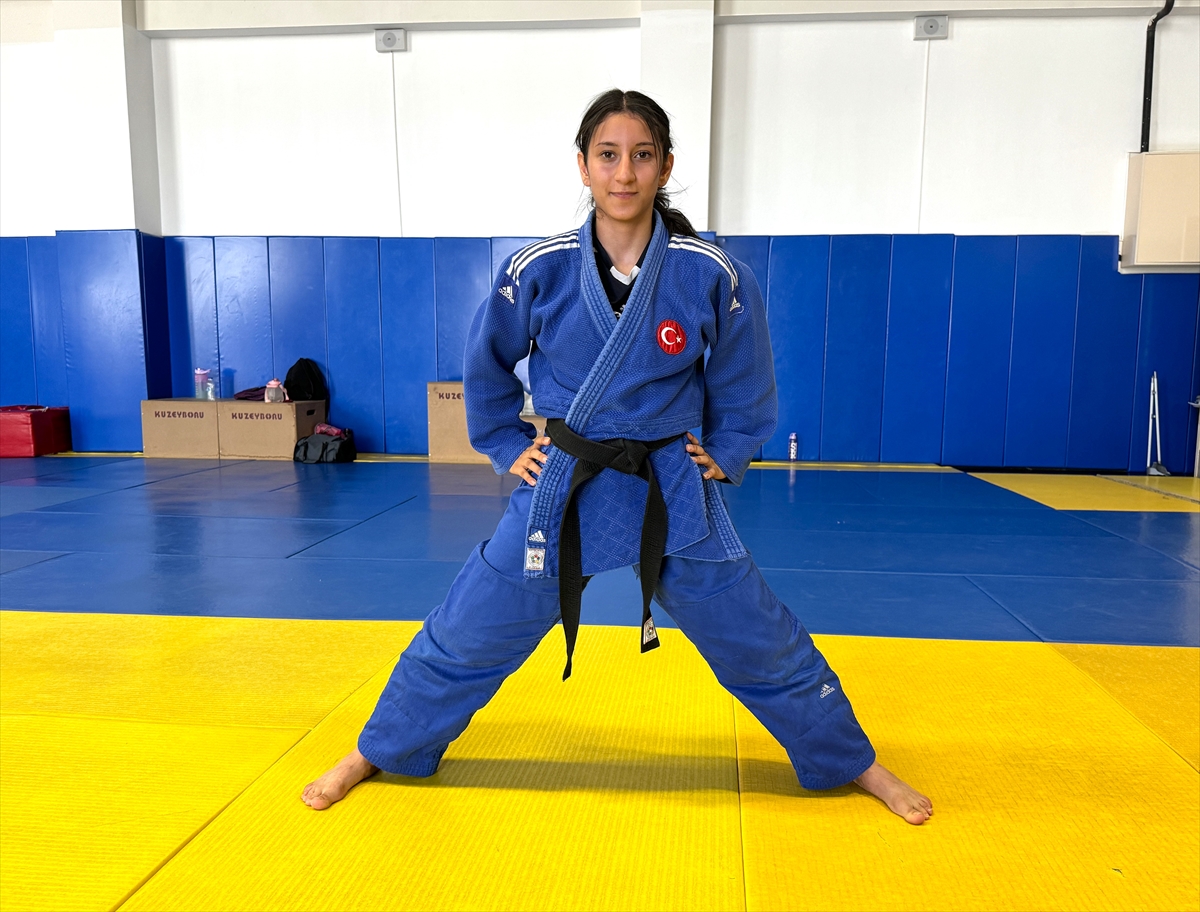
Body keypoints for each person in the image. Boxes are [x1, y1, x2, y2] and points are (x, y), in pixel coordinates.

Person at [303, 89, 933, 826]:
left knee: (757, 637)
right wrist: (507, 443)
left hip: (670, 485)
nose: (624, 173)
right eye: (608, 155)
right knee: (470, 626)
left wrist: (728, 450)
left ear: (665, 166)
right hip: (563, 483)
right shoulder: (536, 268)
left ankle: (850, 760)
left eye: (641, 156)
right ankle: (378, 749)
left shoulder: (710, 271)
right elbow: (486, 363)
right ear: (583, 165)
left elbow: (746, 379)